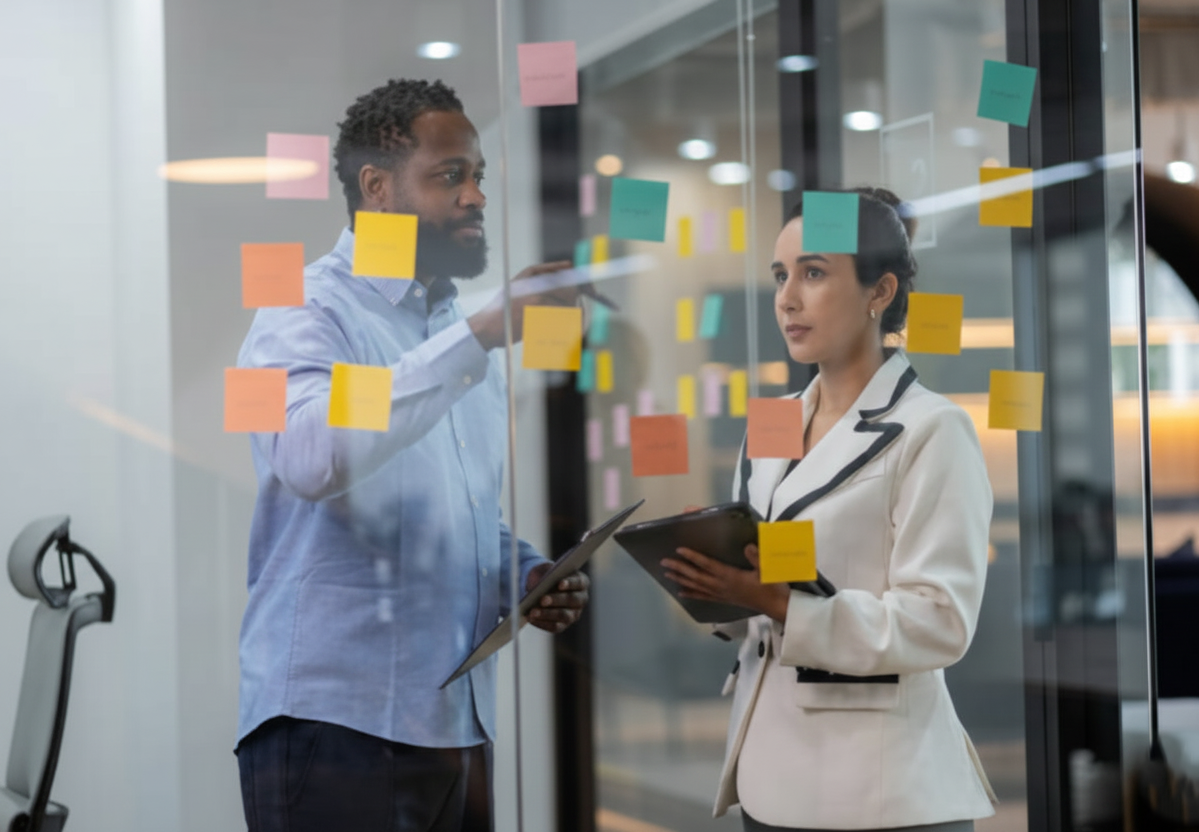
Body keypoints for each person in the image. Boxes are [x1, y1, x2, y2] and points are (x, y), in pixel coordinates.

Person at [233, 79, 588, 832]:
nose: (476, 197)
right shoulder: (301, 308)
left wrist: (523, 572)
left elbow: (458, 515)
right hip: (334, 728)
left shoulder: (454, 331)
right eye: (450, 175)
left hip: (455, 725)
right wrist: (481, 337)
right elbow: (312, 458)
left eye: (478, 175)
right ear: (377, 188)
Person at [661, 188, 997, 831]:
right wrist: (712, 572)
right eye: (781, 275)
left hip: (882, 792)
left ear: (880, 291)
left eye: (813, 273)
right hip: (770, 779)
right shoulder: (772, 423)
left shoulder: (933, 429)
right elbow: (753, 607)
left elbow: (939, 622)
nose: (788, 297)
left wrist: (780, 601)